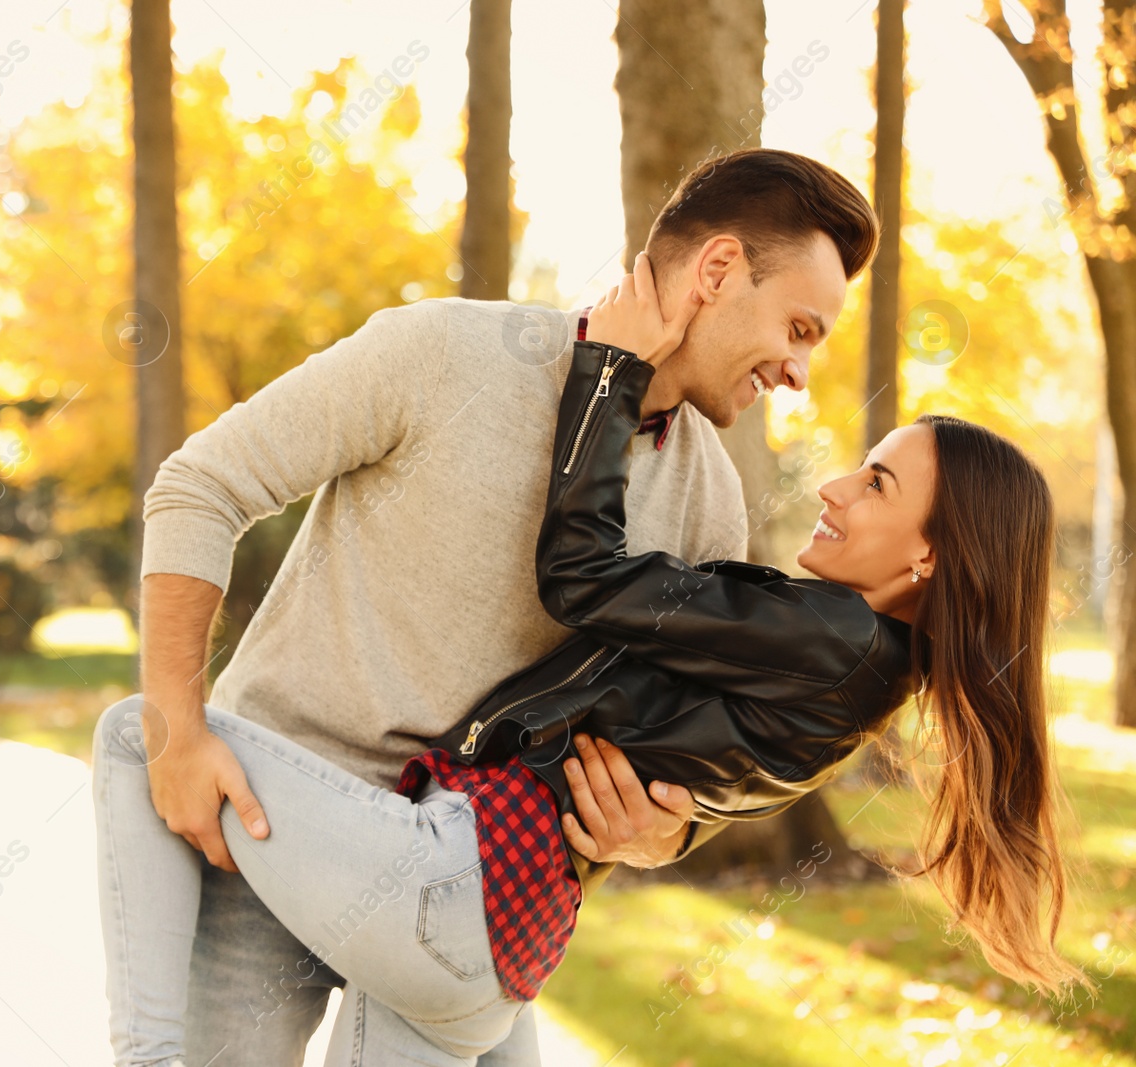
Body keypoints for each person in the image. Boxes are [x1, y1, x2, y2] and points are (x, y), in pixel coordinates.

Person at [95, 254, 1087, 1065]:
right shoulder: (850, 658)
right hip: (500, 926)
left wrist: (604, 375)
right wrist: (665, 825)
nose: (832, 479)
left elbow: (583, 578)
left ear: (927, 557)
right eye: (796, 328)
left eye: (874, 482)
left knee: (130, 736)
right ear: (717, 270)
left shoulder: (824, 626)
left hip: (447, 870)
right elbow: (701, 753)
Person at [123, 148, 877, 1066]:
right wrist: (174, 730)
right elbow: (199, 488)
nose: (799, 370)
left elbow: (694, 727)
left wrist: (667, 829)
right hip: (267, 833)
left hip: (463, 880)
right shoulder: (445, 352)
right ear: (718, 271)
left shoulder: (709, 502)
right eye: (798, 327)